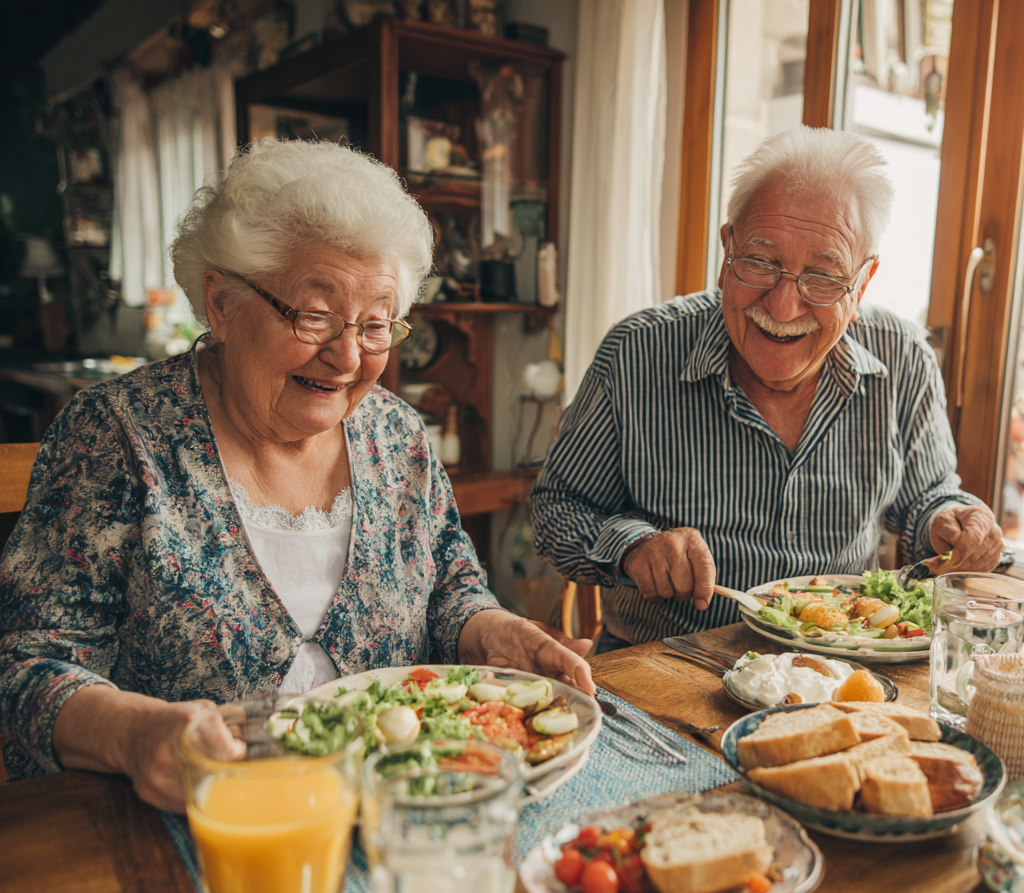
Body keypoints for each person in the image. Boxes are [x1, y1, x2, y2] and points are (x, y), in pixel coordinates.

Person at [0, 139, 593, 808]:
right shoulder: (114, 436)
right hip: (187, 829)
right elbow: (24, 671)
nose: (346, 356)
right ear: (221, 302)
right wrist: (133, 735)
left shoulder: (396, 435)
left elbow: (449, 587)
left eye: (375, 325)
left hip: (406, 816)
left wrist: (489, 628)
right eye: (314, 315)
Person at [532, 126, 1003, 651]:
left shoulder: (904, 357)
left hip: (841, 675)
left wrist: (951, 522)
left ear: (863, 281)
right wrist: (632, 546)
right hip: (665, 669)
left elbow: (926, 500)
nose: (782, 307)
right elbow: (557, 508)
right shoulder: (637, 353)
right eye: (760, 262)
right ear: (727, 249)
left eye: (823, 277)